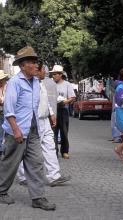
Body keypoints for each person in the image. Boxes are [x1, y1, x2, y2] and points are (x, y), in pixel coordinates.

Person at [0, 46, 56, 210]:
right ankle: (2, 191)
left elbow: (36, 106)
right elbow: (9, 109)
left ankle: (38, 197)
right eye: (31, 62)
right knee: (11, 163)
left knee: (37, 163)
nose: (35, 65)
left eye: (35, 62)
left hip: (33, 130)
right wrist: (16, 130)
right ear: (23, 66)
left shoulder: (36, 82)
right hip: (16, 131)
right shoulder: (15, 83)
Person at [17, 63, 71, 187]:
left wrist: (51, 113)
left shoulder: (40, 84)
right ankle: (23, 176)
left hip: (45, 120)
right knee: (26, 149)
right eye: (44, 71)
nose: (46, 74)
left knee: (50, 146)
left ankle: (54, 176)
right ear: (37, 71)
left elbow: (45, 101)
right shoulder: (28, 83)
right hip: (33, 121)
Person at [50, 65, 75, 159]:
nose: (54, 76)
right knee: (53, 132)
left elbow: (72, 97)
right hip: (53, 110)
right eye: (52, 74)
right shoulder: (50, 84)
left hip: (63, 110)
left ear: (60, 75)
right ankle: (54, 151)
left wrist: (65, 101)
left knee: (64, 132)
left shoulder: (67, 84)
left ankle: (65, 151)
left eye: (55, 74)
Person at [0, 70, 9, 157]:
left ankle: (4, 149)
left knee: (6, 132)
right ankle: (1, 149)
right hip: (1, 112)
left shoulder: (8, 87)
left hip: (6, 113)